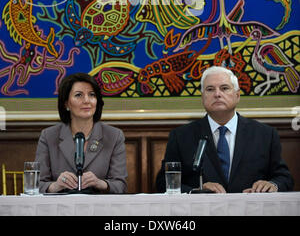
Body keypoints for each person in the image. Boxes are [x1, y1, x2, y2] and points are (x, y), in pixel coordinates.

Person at [156, 66, 294, 193]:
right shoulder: (181, 136)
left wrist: (273, 185)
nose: (217, 94)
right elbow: (163, 182)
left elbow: (284, 178)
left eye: (224, 88)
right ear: (202, 97)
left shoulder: (265, 134)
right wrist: (196, 191)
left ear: (237, 95)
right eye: (210, 89)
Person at [35, 72, 128, 194]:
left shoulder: (114, 136)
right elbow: (36, 185)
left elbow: (120, 185)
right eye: (78, 95)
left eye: (92, 95)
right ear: (66, 103)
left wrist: (100, 183)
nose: (86, 101)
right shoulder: (49, 136)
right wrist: (55, 186)